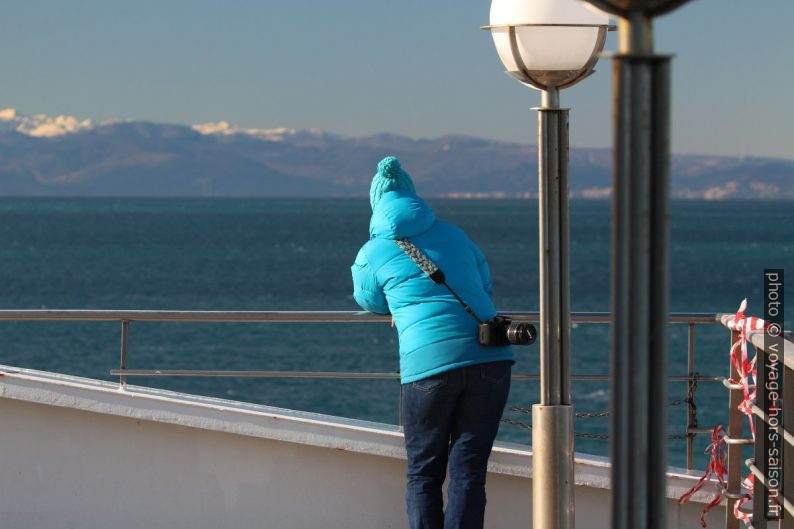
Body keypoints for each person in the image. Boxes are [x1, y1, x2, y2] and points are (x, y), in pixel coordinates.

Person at [351, 156, 514, 529]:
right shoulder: (456, 235)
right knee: (469, 468)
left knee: (424, 472)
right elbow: (484, 284)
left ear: (377, 205)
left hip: (429, 364)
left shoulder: (373, 251)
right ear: (414, 198)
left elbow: (369, 298)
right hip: (490, 355)